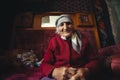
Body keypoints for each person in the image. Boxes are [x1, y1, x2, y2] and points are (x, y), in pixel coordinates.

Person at [39, 14, 99, 80]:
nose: (65, 27)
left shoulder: (83, 39)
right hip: (59, 76)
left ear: (73, 26)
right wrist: (54, 72)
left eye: (68, 24)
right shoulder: (54, 41)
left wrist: (86, 70)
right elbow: (44, 64)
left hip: (78, 75)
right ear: (57, 29)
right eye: (61, 25)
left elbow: (94, 60)